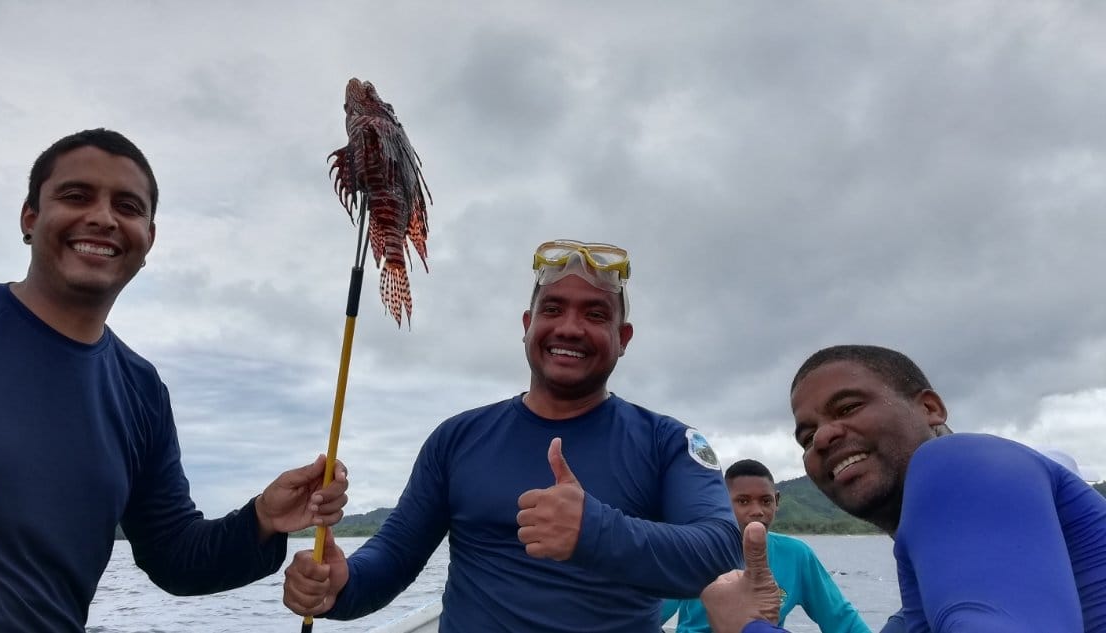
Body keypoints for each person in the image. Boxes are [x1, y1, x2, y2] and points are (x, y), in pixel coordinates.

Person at [0, 128, 349, 632]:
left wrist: (261, 518)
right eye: (76, 196)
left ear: (149, 237)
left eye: (128, 207)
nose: (102, 218)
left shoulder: (140, 391)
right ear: (31, 217)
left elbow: (174, 556)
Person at [281, 239, 743, 631]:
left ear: (624, 337)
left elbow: (720, 554)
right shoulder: (457, 438)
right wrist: (341, 583)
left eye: (595, 314)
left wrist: (596, 532)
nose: (569, 327)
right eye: (553, 308)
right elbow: (395, 554)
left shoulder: (669, 443)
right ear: (527, 326)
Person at [700, 344, 1106, 632]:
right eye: (806, 437)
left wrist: (747, 629)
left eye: (848, 408)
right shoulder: (922, 596)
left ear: (930, 408)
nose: (821, 437)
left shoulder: (958, 461)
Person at [662, 459, 869, 632]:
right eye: (743, 501)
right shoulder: (696, 552)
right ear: (722, 503)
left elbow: (841, 619)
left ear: (777, 501)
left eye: (766, 501)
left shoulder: (797, 556)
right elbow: (648, 613)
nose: (757, 511)